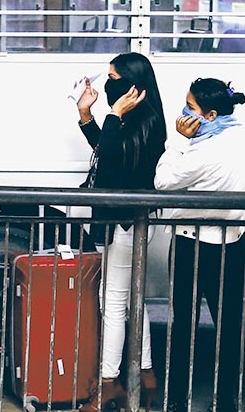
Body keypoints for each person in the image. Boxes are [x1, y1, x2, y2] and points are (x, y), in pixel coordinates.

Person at [154, 78, 245, 412]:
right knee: (229, 325)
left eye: (190, 107)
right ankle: (227, 400)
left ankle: (176, 401)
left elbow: (163, 182)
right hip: (234, 243)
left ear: (210, 114)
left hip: (191, 245)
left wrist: (179, 142)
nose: (184, 112)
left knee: (183, 325)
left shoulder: (202, 150)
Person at [76, 52, 167, 412]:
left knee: (112, 305)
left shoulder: (145, 123)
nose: (107, 83)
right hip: (125, 225)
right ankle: (145, 378)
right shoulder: (137, 120)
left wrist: (111, 116)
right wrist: (87, 117)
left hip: (127, 226)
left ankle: (108, 383)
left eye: (113, 77)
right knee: (132, 303)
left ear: (132, 84)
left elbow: (112, 163)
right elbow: (106, 149)